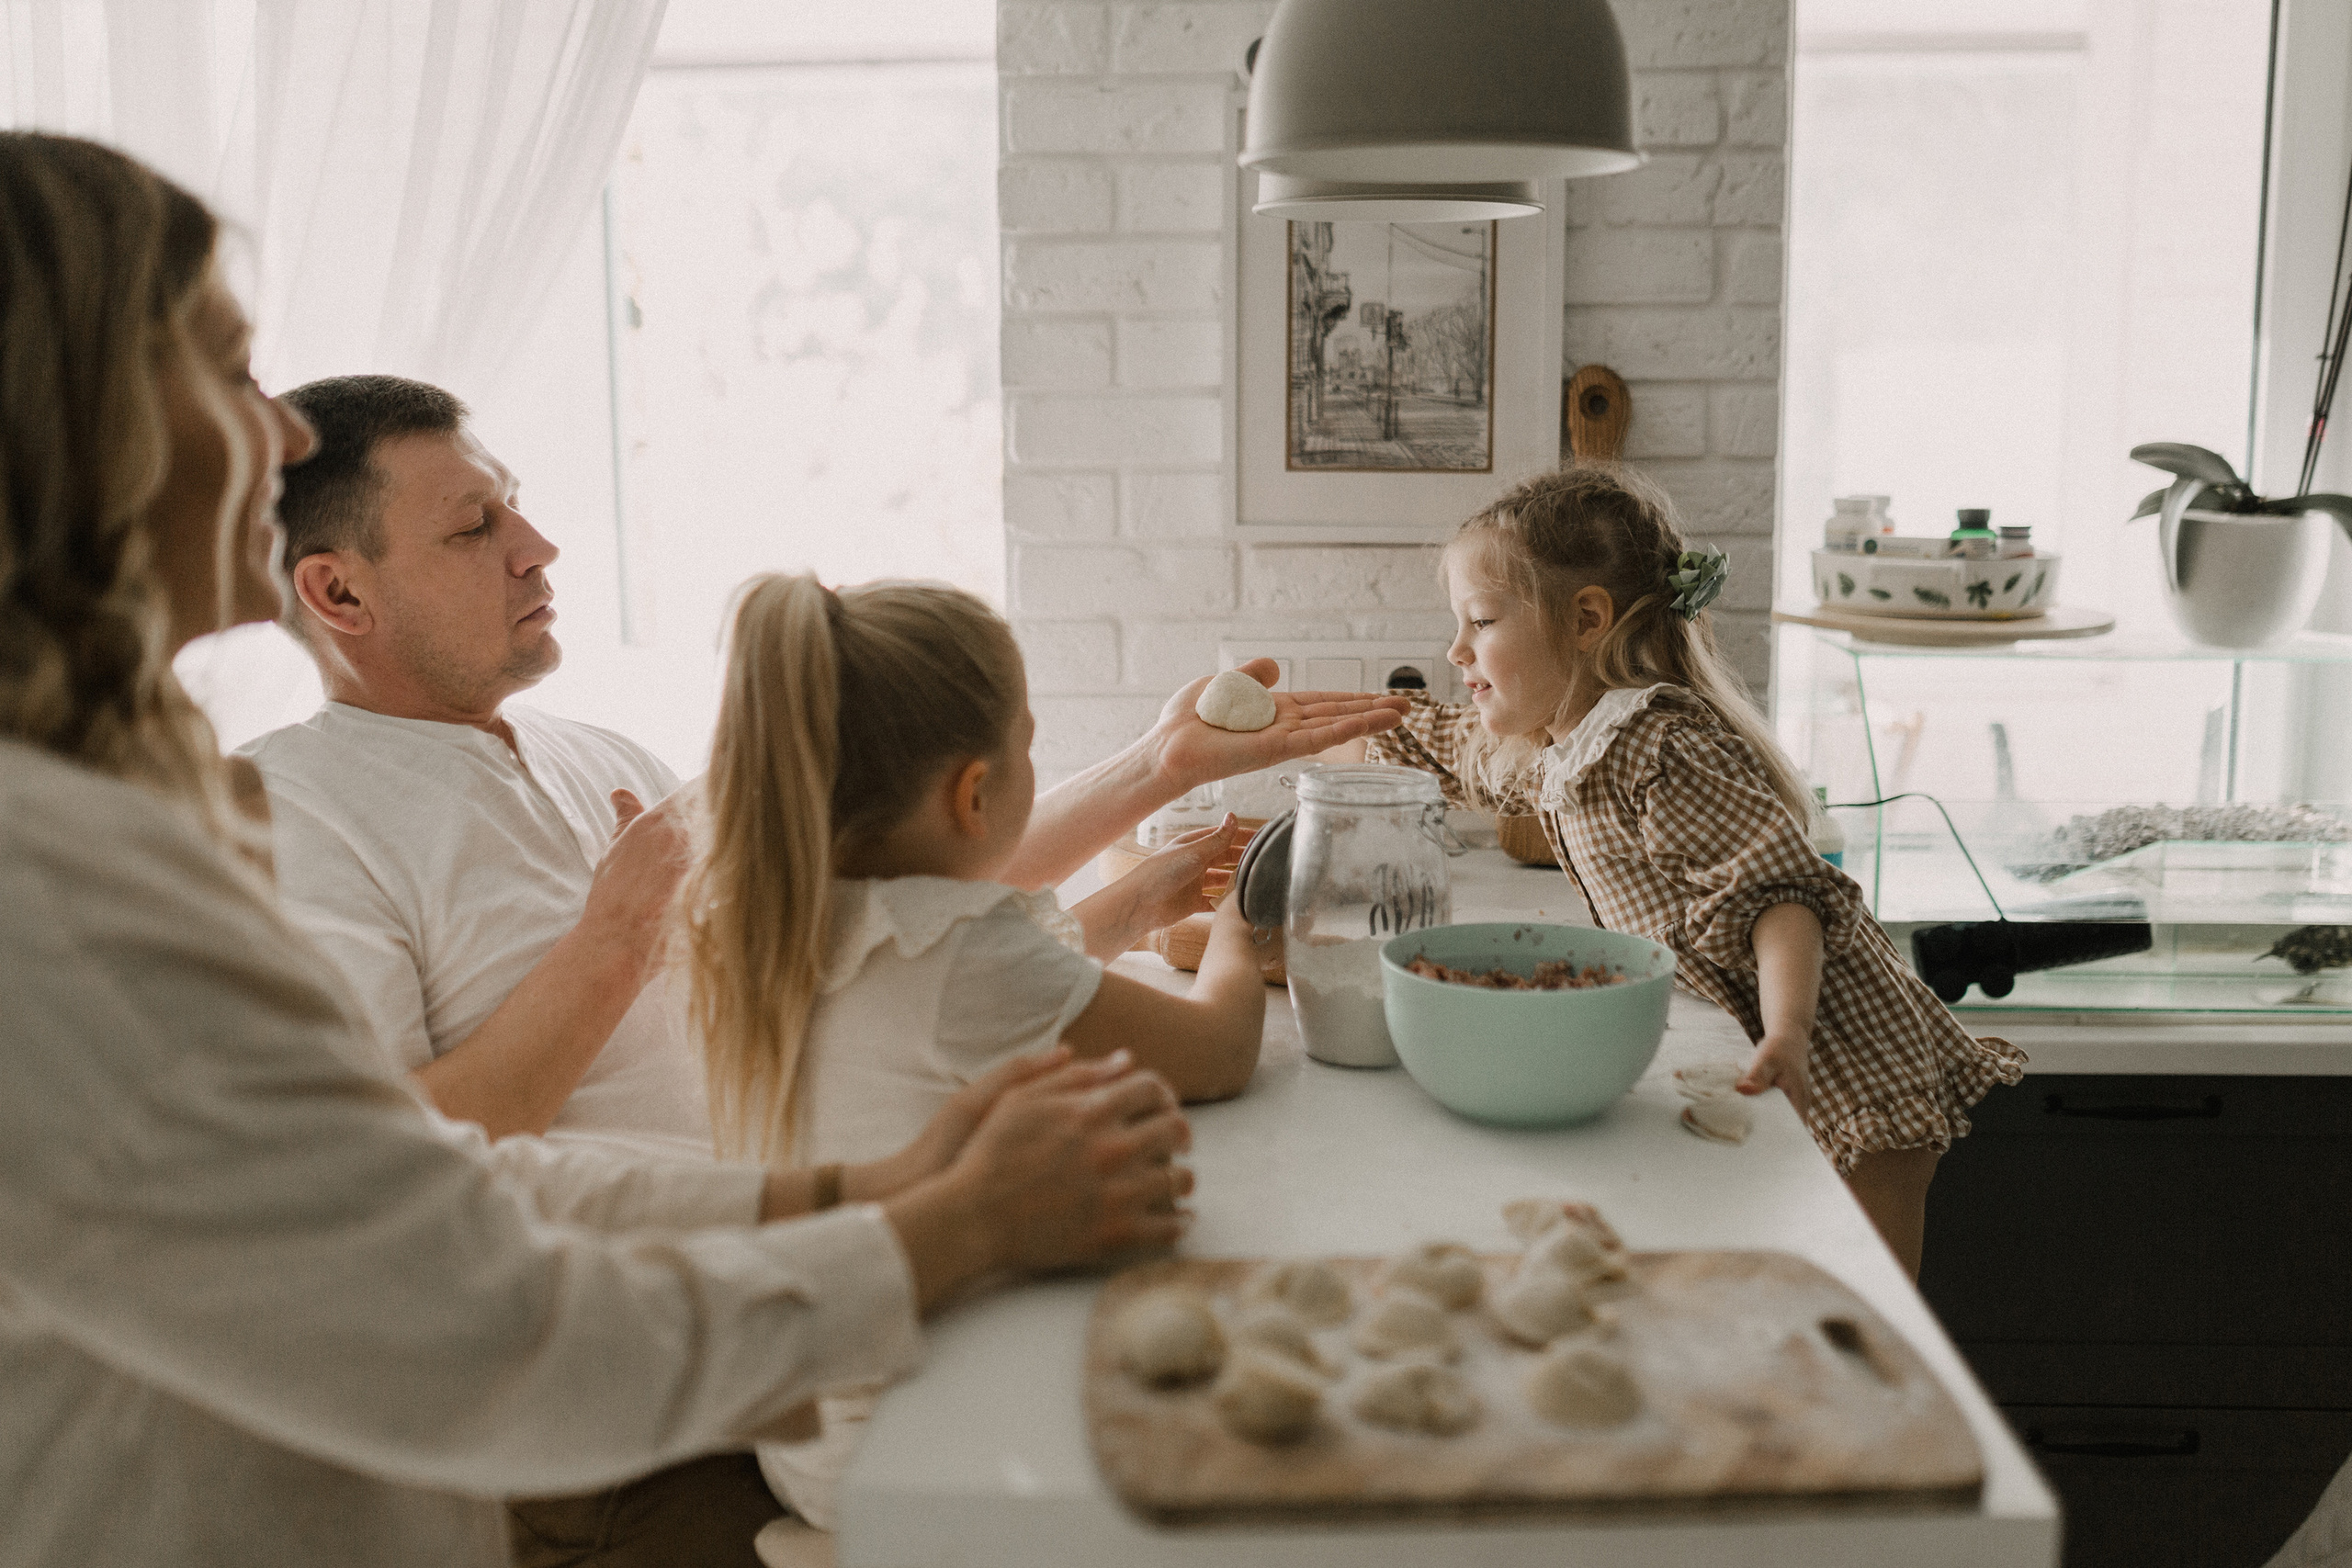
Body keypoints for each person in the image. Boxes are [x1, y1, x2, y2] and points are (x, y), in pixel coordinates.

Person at [0, 130, 1195, 1568]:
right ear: (72, 425)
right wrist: (937, 1232)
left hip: (695, 1329)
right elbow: (467, 1306)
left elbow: (418, 1173)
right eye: (225, 367)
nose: (283, 435)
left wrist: (859, 1190)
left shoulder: (544, 764)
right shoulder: (63, 894)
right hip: (596, 1412)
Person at [243, 374, 1406, 1153]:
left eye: (517, 512)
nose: (537, 551)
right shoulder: (288, 816)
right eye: (473, 529)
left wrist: (1159, 768)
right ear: (338, 591)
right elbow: (378, 1167)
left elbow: (894, 915)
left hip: (850, 1219)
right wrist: (610, 945)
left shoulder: (594, 755)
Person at [684, 574, 1272, 1528]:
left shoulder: (757, 917)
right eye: (1029, 748)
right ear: (974, 793)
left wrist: (1130, 908)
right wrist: (1245, 921)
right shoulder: (961, 956)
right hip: (929, 1445)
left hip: (812, 1429)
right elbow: (1218, 1049)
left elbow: (983, 1000)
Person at [1355, 465, 2025, 1278]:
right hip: (1771, 1056)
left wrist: (1790, 1031)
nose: (1456, 648)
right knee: (1781, 1284)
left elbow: (1782, 901)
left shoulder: (1660, 748)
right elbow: (1446, 745)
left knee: (1857, 1300)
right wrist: (1311, 725)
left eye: (1482, 619)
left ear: (1586, 619)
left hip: (1843, 1062)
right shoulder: (1571, 741)